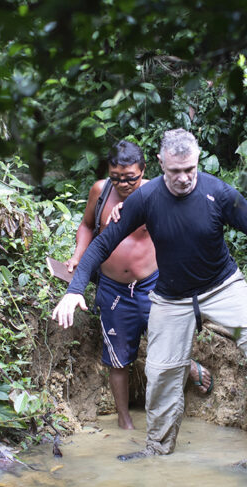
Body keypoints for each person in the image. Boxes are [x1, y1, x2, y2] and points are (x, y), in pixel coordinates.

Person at [53, 129, 247, 460]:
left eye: (190, 170)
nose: (184, 178)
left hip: (223, 289)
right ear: (160, 164)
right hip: (171, 300)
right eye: (175, 171)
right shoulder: (146, 198)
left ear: (197, 162)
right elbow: (102, 242)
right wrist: (74, 290)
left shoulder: (218, 192)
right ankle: (156, 451)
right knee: (160, 374)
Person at [65, 140, 212, 430]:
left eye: (130, 178)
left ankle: (189, 365)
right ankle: (124, 422)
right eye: (116, 177)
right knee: (117, 358)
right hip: (113, 288)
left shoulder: (158, 191)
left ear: (143, 171)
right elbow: (86, 225)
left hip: (153, 283)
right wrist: (77, 254)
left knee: (168, 341)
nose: (123, 184)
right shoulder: (100, 191)